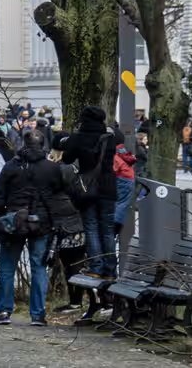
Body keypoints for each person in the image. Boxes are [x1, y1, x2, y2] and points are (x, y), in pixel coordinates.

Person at [0, 132, 83, 326]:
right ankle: (38, 314)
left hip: (14, 222)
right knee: (39, 268)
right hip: (41, 222)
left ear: (24, 143)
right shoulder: (51, 168)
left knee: (7, 268)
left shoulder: (11, 166)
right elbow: (59, 195)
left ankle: (3, 312)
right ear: (43, 145)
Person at [55, 104, 119, 278]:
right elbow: (119, 143)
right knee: (107, 230)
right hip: (108, 187)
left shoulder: (78, 137)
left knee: (91, 227)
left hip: (87, 188)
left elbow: (67, 158)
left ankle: (96, 267)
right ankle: (111, 270)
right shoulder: (109, 137)